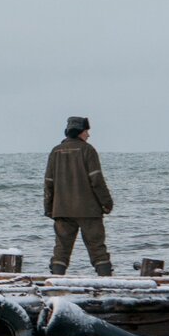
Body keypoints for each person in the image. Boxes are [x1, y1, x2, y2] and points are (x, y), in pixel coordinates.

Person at [43, 116, 114, 276]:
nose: (88, 135)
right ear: (79, 132)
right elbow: (96, 180)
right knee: (97, 249)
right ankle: (107, 284)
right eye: (86, 131)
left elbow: (49, 183)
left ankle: (55, 284)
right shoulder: (88, 150)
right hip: (89, 211)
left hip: (62, 211)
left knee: (61, 250)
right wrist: (107, 203)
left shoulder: (55, 152)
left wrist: (49, 209)